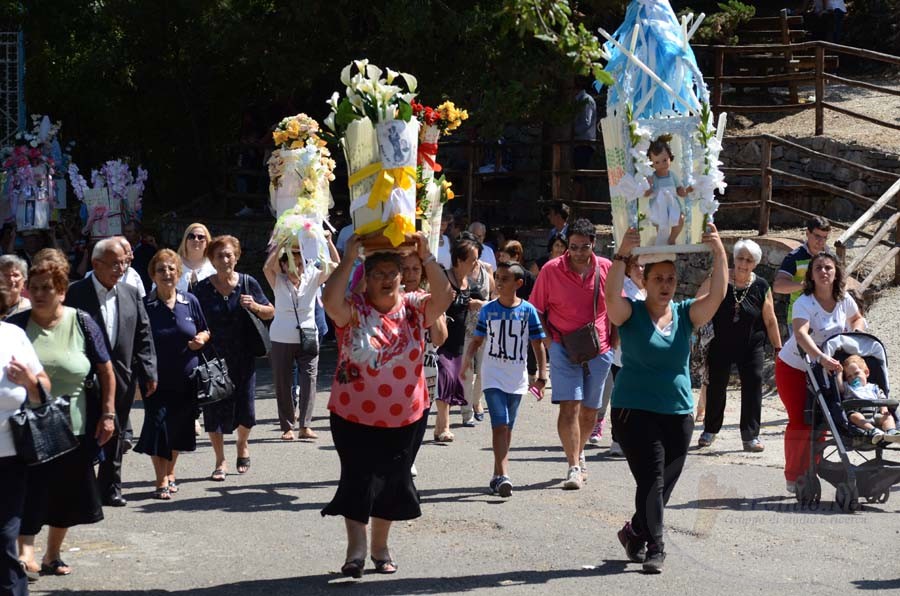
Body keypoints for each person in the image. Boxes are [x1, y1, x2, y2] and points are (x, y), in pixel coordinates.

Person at [321, 233, 452, 578]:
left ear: (400, 276)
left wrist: (428, 258)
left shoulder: (414, 306)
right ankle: (356, 550)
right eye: (376, 273)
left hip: (405, 417)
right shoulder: (354, 308)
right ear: (366, 277)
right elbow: (328, 300)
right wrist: (348, 259)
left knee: (392, 483)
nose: (385, 280)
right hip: (353, 415)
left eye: (390, 273)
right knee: (357, 479)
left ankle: (380, 547)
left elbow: (445, 296)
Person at [607, 225, 727, 573]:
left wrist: (718, 251)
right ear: (644, 280)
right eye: (658, 278)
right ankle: (656, 546)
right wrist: (619, 257)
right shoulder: (630, 313)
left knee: (663, 485)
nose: (665, 285)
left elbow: (717, 296)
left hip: (678, 412)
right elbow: (610, 298)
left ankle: (634, 531)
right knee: (652, 480)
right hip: (635, 411)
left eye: (670, 279)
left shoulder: (686, 314)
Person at [9, 254, 116, 578]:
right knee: (30, 490)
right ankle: (25, 553)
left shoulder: (82, 321)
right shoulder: (16, 327)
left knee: (67, 494)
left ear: (62, 291)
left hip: (75, 426)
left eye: (47, 288)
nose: (39, 294)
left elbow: (106, 370)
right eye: (34, 288)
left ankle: (52, 555)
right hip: (27, 428)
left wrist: (108, 414)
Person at [66, 237, 158, 507]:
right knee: (84, 433)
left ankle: (110, 487)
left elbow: (144, 333)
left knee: (116, 434)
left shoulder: (130, 292)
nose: (121, 268)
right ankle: (82, 488)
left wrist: (149, 371)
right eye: (115, 264)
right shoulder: (76, 293)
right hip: (84, 378)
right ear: (96, 264)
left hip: (122, 375)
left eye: (124, 263)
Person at [530, 218, 614, 490]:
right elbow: (537, 311)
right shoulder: (550, 270)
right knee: (570, 407)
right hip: (563, 348)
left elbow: (618, 306)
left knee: (590, 412)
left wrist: (614, 340)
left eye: (584, 247)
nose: (578, 252)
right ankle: (573, 465)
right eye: (574, 246)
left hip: (599, 349)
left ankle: (579, 451)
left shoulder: (607, 269)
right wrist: (550, 343)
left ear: (594, 244)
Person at [775, 252, 866, 494]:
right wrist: (820, 357)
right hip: (795, 366)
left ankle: (812, 472)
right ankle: (794, 476)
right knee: (801, 421)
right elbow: (801, 334)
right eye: (818, 268)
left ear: (836, 272)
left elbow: (857, 318)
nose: (824, 272)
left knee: (825, 420)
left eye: (828, 268)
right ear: (811, 275)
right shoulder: (804, 302)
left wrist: (855, 334)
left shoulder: (844, 299)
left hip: (827, 368)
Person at [460, 262, 548, 498]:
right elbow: (477, 340)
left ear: (518, 284)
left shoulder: (528, 311)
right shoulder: (488, 310)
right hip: (493, 376)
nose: (498, 282)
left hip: (517, 377)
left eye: (505, 279)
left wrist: (542, 375)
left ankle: (497, 476)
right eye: (497, 278)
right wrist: (466, 362)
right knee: (499, 423)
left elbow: (537, 344)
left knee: (507, 427)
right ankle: (504, 474)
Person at [194, 235, 273, 480]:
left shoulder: (248, 283)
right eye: (219, 255)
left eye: (229, 254)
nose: (225, 259)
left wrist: (256, 307)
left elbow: (271, 311)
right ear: (212, 260)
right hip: (214, 358)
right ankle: (220, 461)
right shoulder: (202, 289)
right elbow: (194, 320)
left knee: (246, 410)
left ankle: (242, 443)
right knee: (214, 410)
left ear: (236, 257)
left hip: (244, 355)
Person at [134, 250, 210, 499]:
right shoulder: (145, 305)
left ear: (178, 273)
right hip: (155, 379)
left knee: (179, 428)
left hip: (187, 378)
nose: (167, 274)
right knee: (158, 427)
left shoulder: (190, 301)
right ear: (153, 275)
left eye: (171, 269)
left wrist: (201, 338)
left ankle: (170, 471)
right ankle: (160, 480)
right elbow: (136, 341)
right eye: (161, 270)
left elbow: (205, 330)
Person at [696, 239, 783, 452]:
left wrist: (778, 348)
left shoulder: (761, 285)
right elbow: (697, 301)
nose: (743, 263)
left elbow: (770, 319)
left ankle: (750, 436)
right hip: (721, 342)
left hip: (751, 344)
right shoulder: (719, 278)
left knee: (753, 384)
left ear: (756, 263)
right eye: (740, 258)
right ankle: (710, 430)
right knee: (717, 385)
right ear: (734, 258)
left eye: (749, 260)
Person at [263, 233, 338, 441]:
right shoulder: (278, 280)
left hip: (308, 335)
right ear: (284, 266)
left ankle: (305, 425)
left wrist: (328, 241)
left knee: (309, 380)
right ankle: (287, 426)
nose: (297, 267)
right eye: (291, 263)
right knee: (283, 382)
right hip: (281, 337)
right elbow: (267, 267)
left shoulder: (312, 277)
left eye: (300, 262)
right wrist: (280, 245)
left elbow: (335, 265)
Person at [0, 278, 49, 594]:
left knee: (5, 537)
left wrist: (31, 382)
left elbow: (43, 384)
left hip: (10, 455)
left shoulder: (13, 336)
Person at [434, 235, 495, 441]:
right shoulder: (444, 278)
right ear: (459, 260)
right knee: (445, 380)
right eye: (473, 259)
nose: (476, 263)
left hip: (460, 340)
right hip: (441, 340)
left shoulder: (466, 281)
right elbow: (432, 302)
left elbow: (472, 300)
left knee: (451, 383)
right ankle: (444, 428)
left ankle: (439, 427)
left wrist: (475, 303)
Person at [592, 255, 646, 455]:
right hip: (623, 355)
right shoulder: (625, 290)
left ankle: (636, 439)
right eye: (637, 266)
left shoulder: (649, 290)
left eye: (643, 266)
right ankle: (617, 440)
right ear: (629, 269)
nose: (641, 270)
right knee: (621, 399)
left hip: (645, 357)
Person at [401, 251, 448, 477]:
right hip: (399, 376)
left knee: (419, 427)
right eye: (406, 268)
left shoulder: (428, 299)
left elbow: (439, 338)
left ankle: (409, 460)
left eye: (415, 269)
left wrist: (434, 305)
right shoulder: (391, 298)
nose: (410, 274)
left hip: (426, 372)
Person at [773, 216, 831, 323]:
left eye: (825, 237)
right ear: (807, 233)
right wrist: (804, 285)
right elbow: (778, 286)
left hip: (826, 318)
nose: (821, 241)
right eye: (817, 236)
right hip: (799, 318)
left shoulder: (831, 257)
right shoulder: (794, 257)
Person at [839, 355, 900, 443]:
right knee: (854, 416)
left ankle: (890, 432)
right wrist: (839, 373)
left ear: (866, 372)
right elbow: (839, 387)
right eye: (849, 376)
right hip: (859, 414)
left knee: (888, 416)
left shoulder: (873, 387)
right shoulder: (848, 387)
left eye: (856, 373)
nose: (853, 378)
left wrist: (884, 408)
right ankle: (873, 430)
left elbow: (882, 398)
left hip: (875, 414)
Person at [644, 135, 690, 246]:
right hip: (659, 206)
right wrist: (649, 186)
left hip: (673, 204)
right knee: (660, 224)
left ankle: (672, 238)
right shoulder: (652, 177)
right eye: (657, 162)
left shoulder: (672, 175)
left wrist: (687, 190)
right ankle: (661, 241)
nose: (662, 164)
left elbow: (680, 190)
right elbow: (646, 194)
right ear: (651, 163)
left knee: (680, 219)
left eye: (664, 160)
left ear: (670, 157)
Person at [572, 78, 597, 202]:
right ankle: (581, 210)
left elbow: (586, 123)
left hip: (585, 143)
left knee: (579, 176)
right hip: (580, 142)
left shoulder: (586, 100)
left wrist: (572, 130)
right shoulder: (580, 100)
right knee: (581, 177)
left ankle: (574, 208)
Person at [175, 223, 216, 293]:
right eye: (191, 236)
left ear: (207, 242)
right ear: (185, 240)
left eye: (201, 237)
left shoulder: (215, 266)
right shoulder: (173, 263)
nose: (196, 240)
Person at [123, 221, 155, 293]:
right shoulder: (121, 250)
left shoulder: (149, 250)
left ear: (138, 233)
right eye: (125, 232)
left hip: (144, 289)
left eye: (129, 232)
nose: (126, 234)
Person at [0, 255, 30, 320]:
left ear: (24, 283)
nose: (11, 279)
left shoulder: (30, 310)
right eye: (5, 275)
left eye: (15, 275)